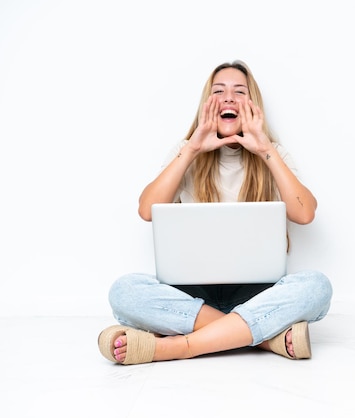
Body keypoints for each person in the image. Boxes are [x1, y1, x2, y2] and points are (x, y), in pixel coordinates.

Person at [97, 60, 333, 365]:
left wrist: (265, 150)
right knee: (124, 292)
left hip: (256, 293)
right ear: (207, 103)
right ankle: (263, 338)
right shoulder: (186, 151)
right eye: (218, 91)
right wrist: (193, 148)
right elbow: (146, 209)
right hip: (192, 295)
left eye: (239, 92)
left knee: (317, 287)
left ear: (253, 104)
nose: (229, 99)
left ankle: (178, 346)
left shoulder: (271, 152)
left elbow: (305, 214)